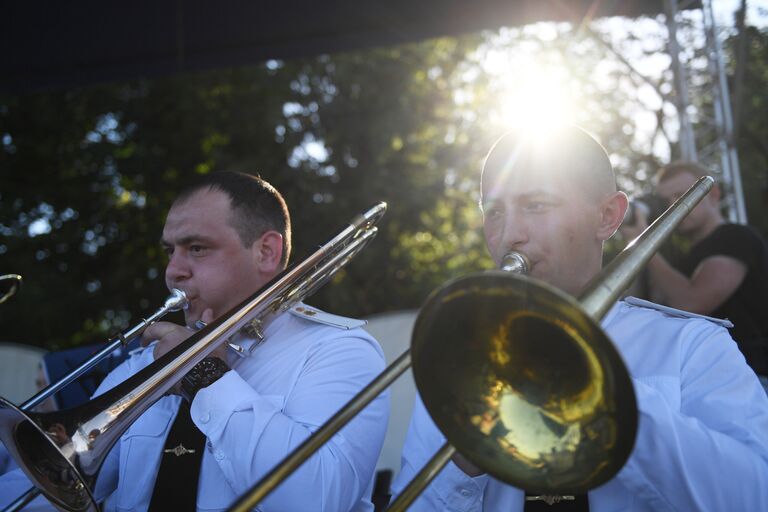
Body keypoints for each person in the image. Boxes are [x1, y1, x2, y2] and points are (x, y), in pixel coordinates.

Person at [391, 126, 768, 511]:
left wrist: (608, 400)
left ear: (607, 216)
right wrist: (462, 462)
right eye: (494, 212)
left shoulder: (691, 343)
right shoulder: (459, 359)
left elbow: (755, 495)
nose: (509, 236)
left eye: (536, 205)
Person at [0, 171, 389, 511]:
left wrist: (207, 376)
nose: (173, 272)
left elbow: (318, 500)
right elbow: (45, 487)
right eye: (170, 251)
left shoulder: (340, 352)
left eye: (197, 248)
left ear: (267, 252)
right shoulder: (145, 362)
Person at [622, 161, 768, 393]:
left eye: (681, 195)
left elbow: (692, 303)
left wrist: (644, 241)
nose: (673, 205)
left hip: (751, 381)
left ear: (714, 195)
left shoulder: (736, 237)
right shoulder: (678, 260)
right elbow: (640, 310)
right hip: (702, 383)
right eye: (666, 200)